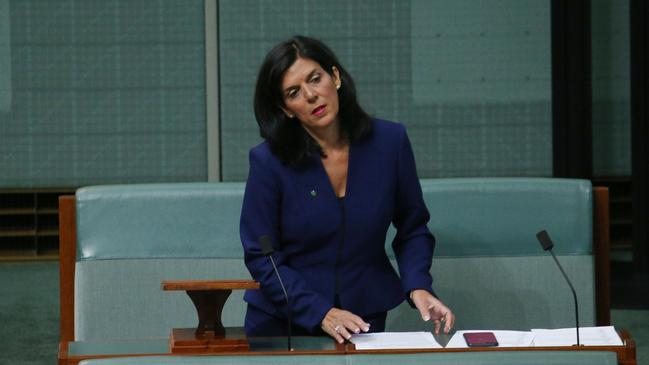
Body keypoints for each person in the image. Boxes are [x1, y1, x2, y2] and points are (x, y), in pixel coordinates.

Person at [240, 35, 454, 343]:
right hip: (283, 324)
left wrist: (418, 285)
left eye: (315, 79)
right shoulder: (269, 162)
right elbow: (261, 255)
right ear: (286, 109)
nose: (312, 95)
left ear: (336, 76)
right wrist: (320, 312)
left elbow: (413, 228)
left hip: (362, 319)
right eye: (294, 92)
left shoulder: (389, 143)